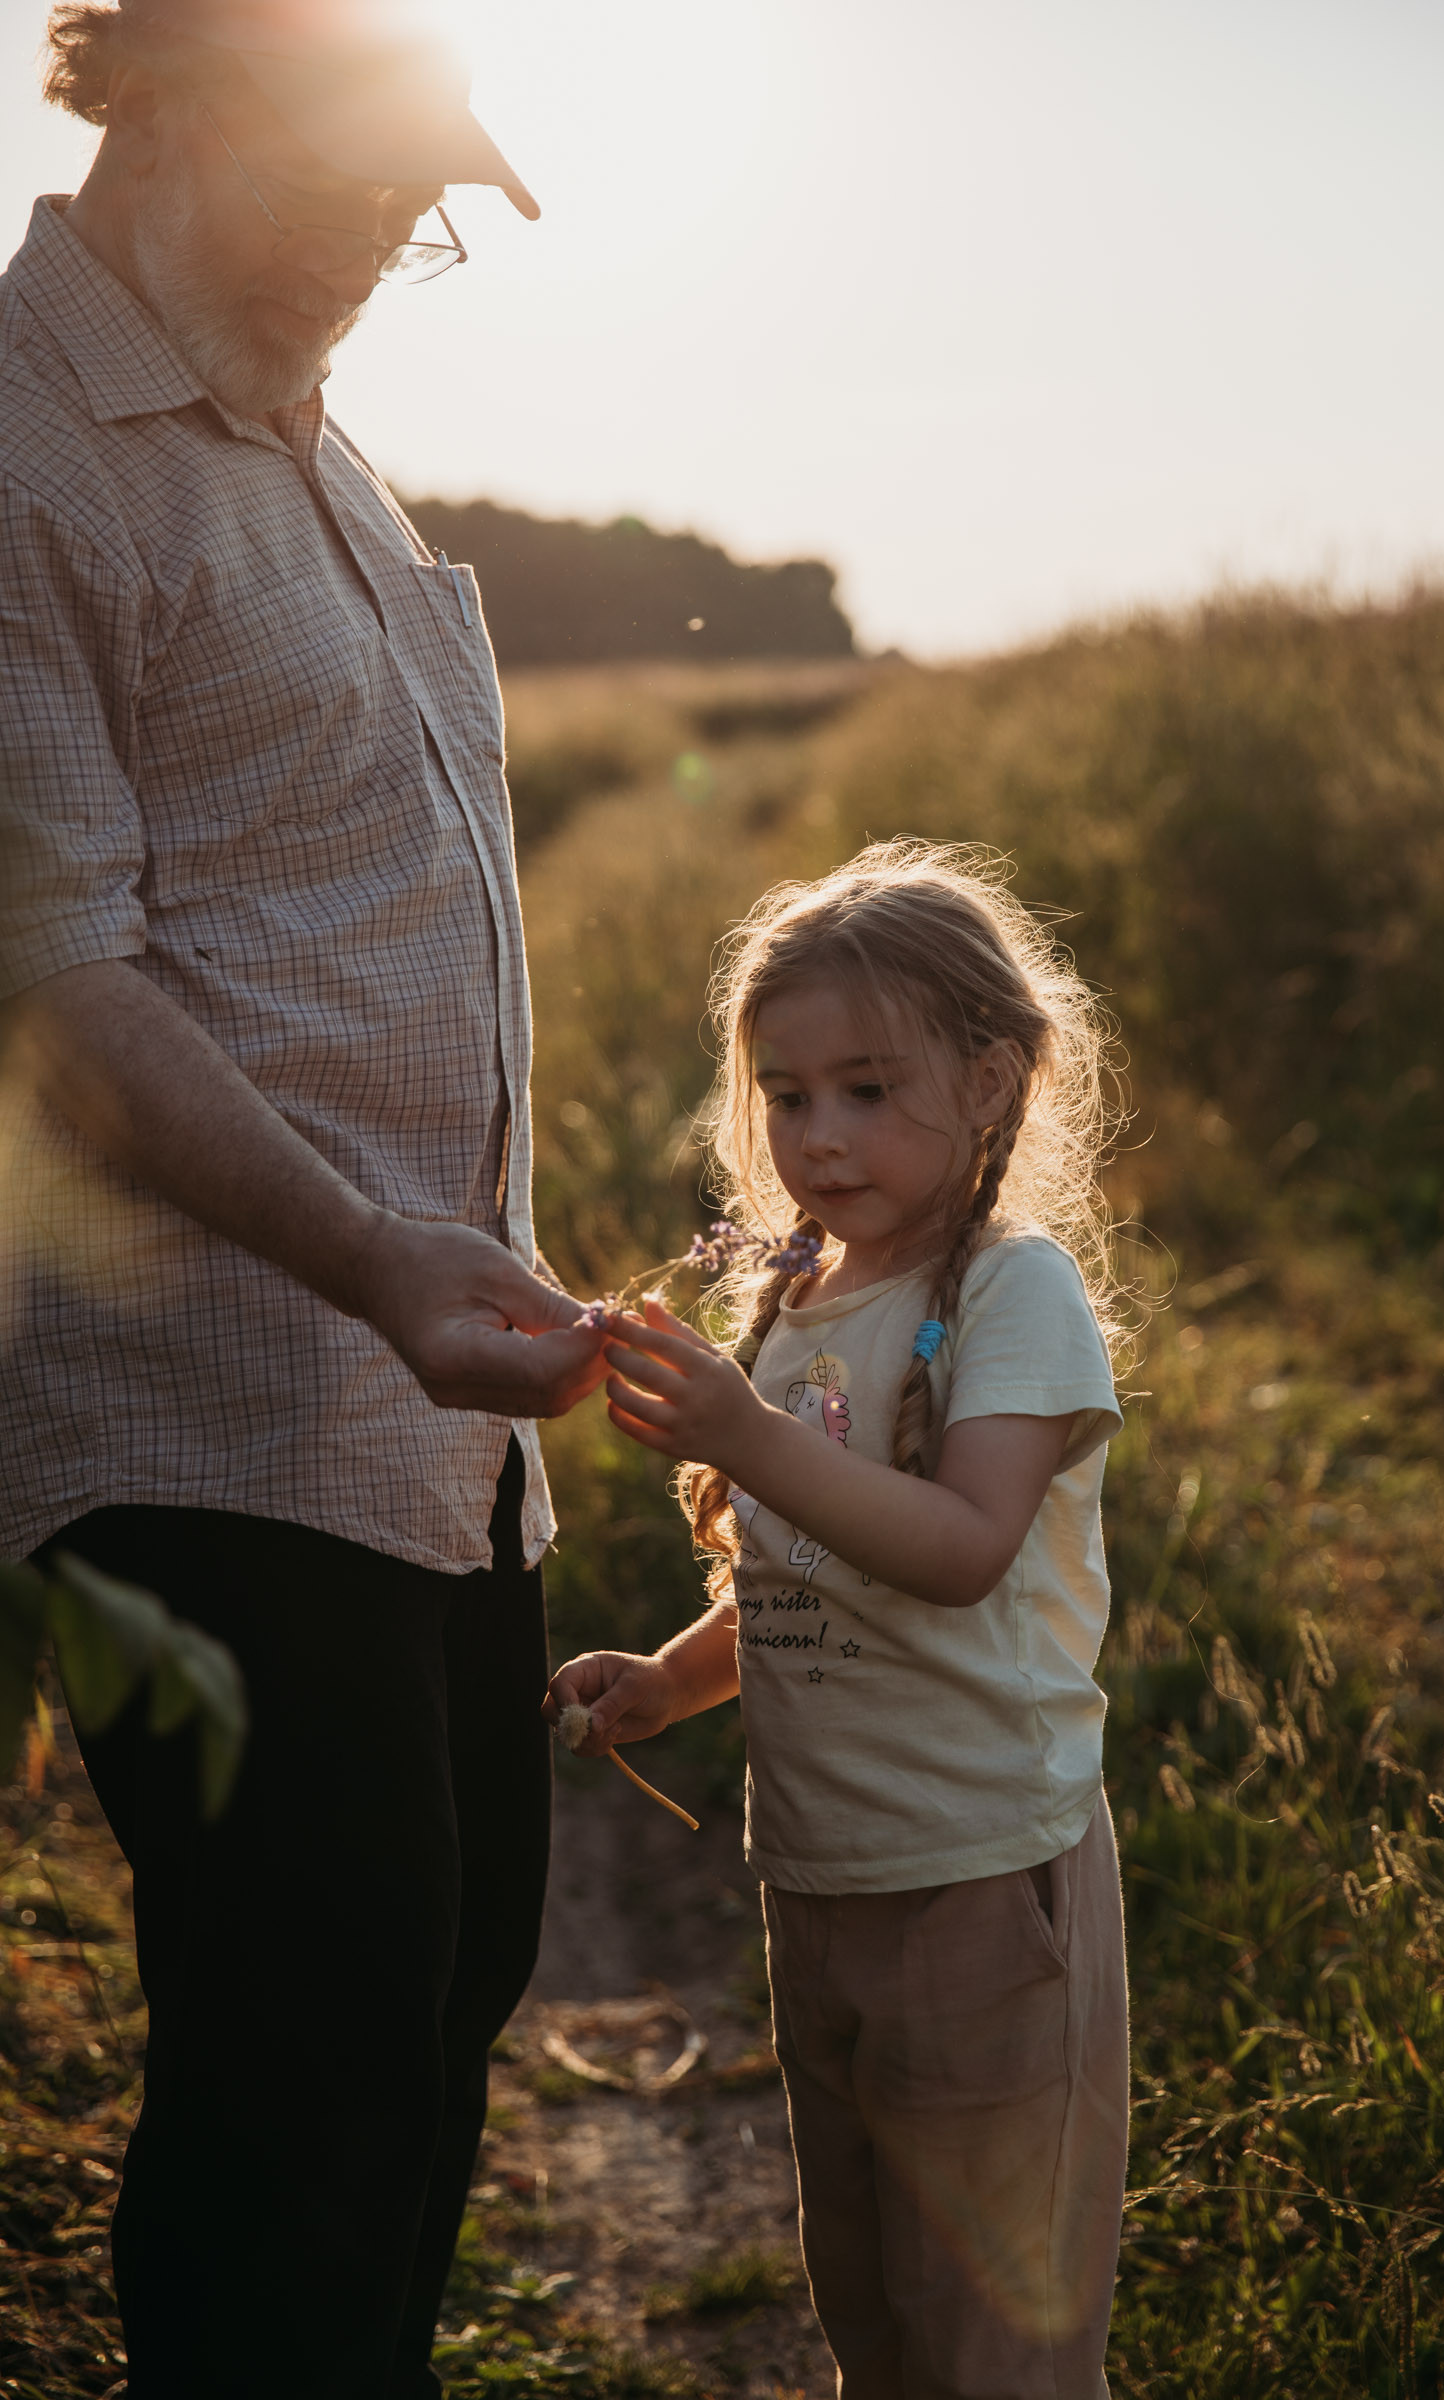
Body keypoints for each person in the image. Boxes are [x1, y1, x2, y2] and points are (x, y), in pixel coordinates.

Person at [0, 5, 606, 2392]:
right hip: (206, 1411)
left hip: (434, 1428)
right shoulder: (26, 443)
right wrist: (370, 1254)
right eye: (337, 182)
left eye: (411, 212)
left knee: (438, 1995)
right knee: (311, 2067)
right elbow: (52, 977)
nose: (374, 245)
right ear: (154, 95)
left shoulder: (311, 444)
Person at [548, 841, 1133, 2399]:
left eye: (870, 1089)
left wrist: (747, 1436)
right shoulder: (802, 1303)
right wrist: (676, 1683)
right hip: (817, 1881)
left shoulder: (1016, 1295)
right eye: (787, 1094)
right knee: (870, 2306)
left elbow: (957, 1551)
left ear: (994, 1080)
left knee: (993, 2337)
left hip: (984, 1884)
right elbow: (801, 1573)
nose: (820, 1135)